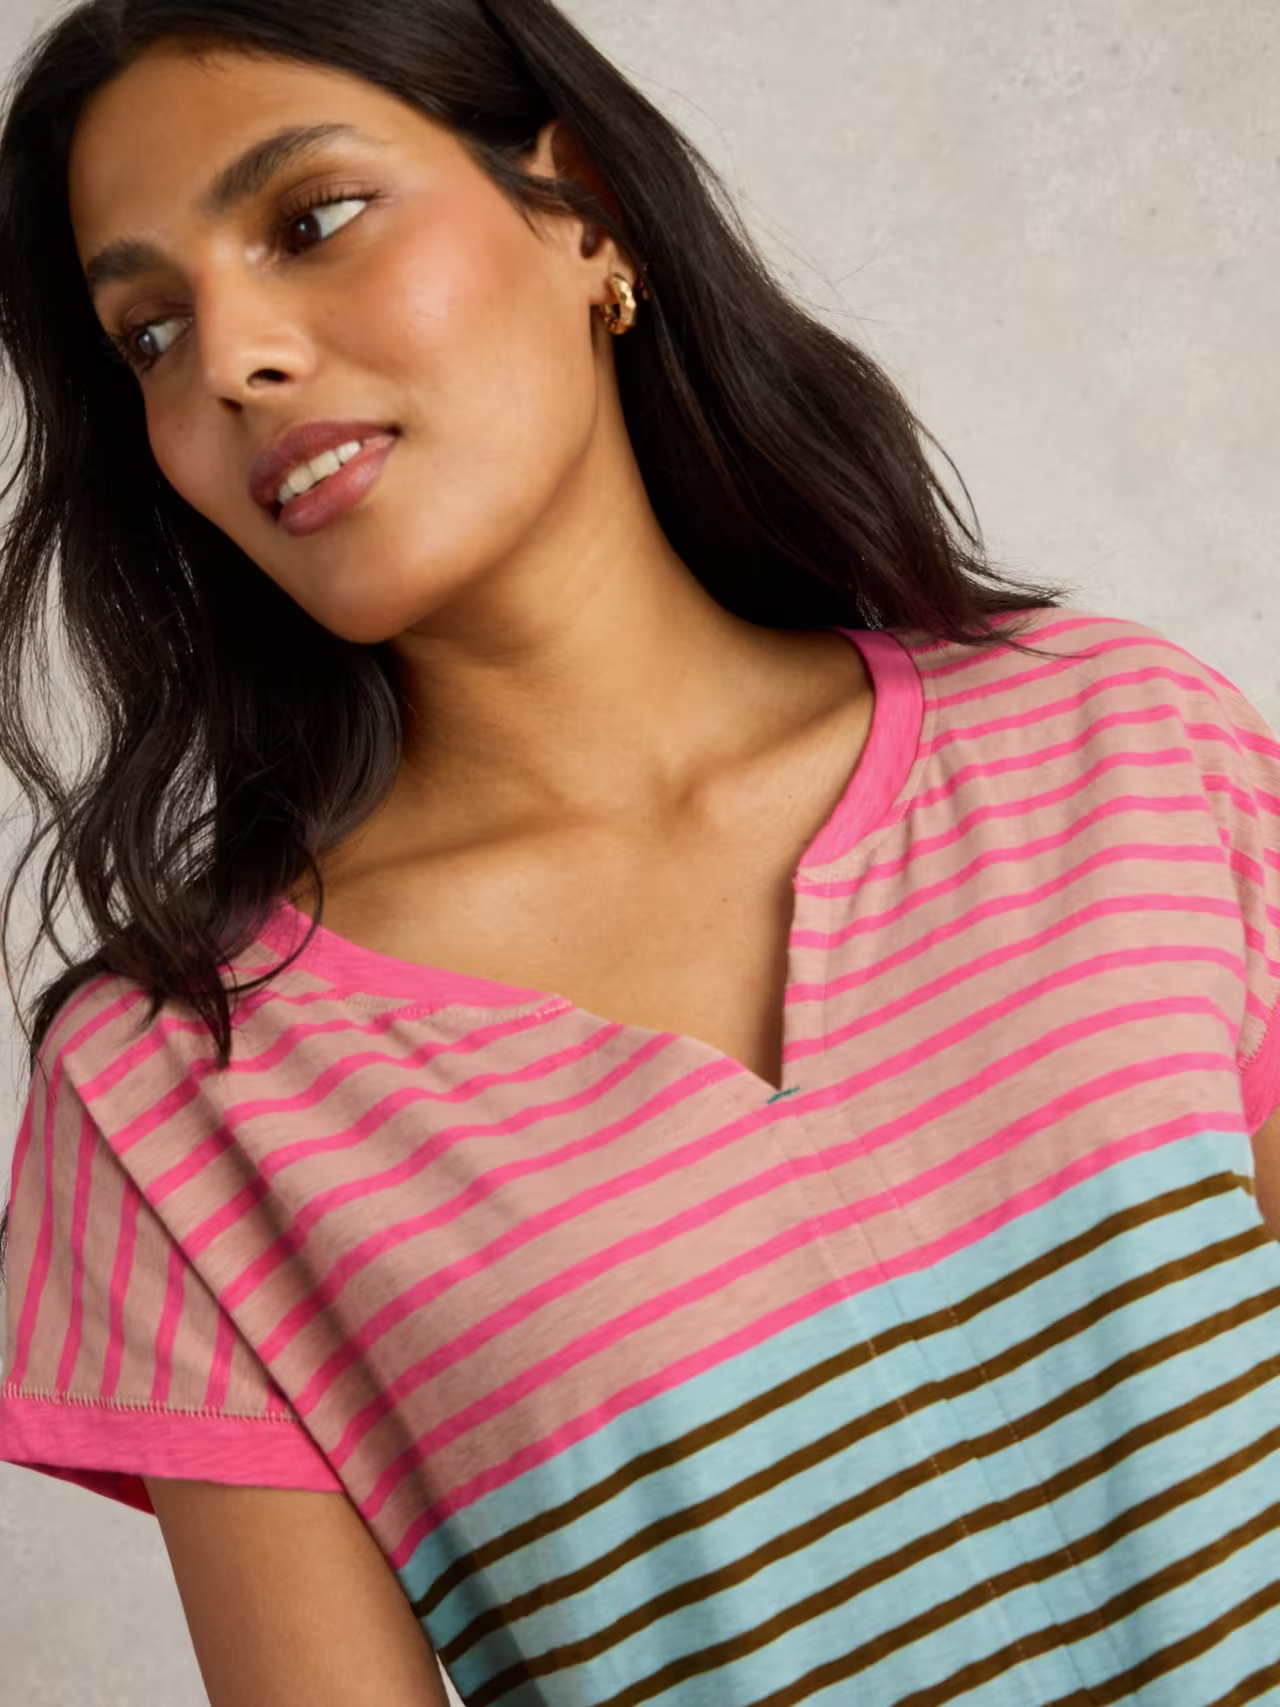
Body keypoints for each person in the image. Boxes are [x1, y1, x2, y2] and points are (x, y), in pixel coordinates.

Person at [0, 3, 1277, 1704]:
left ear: (583, 209)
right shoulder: (182, 1093)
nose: (228, 357)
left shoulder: (1125, 748)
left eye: (311, 219)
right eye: (150, 331)